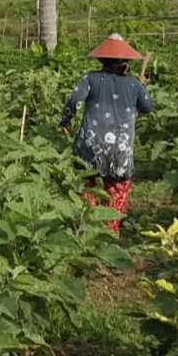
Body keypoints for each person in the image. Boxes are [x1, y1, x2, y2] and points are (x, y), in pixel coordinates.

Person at [59, 33, 153, 234]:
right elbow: (147, 107)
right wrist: (141, 86)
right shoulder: (135, 85)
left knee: (86, 187)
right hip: (119, 151)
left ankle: (86, 230)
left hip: (88, 149)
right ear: (126, 62)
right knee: (116, 191)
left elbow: (74, 100)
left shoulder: (90, 78)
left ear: (101, 60)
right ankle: (109, 232)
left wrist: (65, 120)